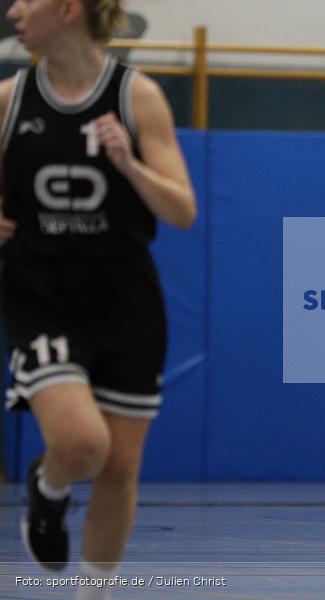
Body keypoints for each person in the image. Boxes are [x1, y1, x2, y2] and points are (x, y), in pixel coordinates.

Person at [0, 0, 196, 597]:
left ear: (66, 9)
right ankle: (50, 487)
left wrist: (129, 165)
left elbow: (181, 210)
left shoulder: (137, 97)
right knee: (83, 444)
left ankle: (93, 592)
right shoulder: (10, 99)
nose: (12, 11)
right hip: (40, 292)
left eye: (26, 0)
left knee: (120, 466)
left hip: (124, 298)